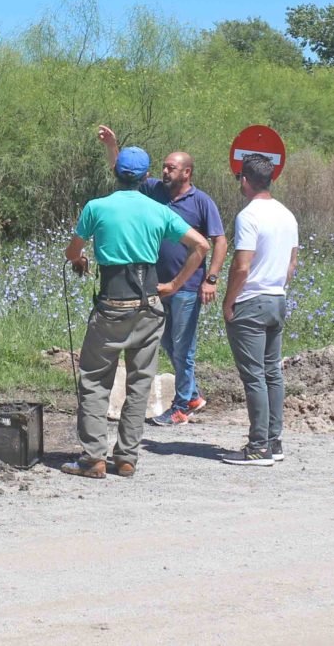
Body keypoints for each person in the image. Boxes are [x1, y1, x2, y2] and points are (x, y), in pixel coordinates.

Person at [61, 146, 210, 479]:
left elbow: (73, 251)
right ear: (146, 177)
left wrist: (79, 260)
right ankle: (126, 457)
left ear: (115, 173)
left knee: (95, 381)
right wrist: (174, 285)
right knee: (140, 383)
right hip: (149, 304)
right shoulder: (158, 210)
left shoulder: (96, 207)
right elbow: (202, 245)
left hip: (112, 304)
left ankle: (93, 458)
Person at [98, 125, 228, 426]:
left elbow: (218, 240)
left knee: (183, 346)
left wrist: (211, 278)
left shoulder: (201, 202)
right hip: (157, 285)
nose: (165, 172)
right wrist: (113, 145)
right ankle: (192, 394)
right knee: (169, 343)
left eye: (172, 168)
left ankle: (182, 405)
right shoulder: (154, 190)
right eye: (164, 167)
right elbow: (123, 172)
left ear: (187, 173)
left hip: (186, 286)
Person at [221, 153, 299, 466]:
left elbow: (242, 266)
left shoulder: (248, 215)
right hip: (277, 298)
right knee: (272, 374)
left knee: (254, 376)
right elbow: (292, 264)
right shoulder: (287, 215)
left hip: (251, 301)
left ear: (244, 180)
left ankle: (258, 447)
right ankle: (273, 441)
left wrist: (229, 302)